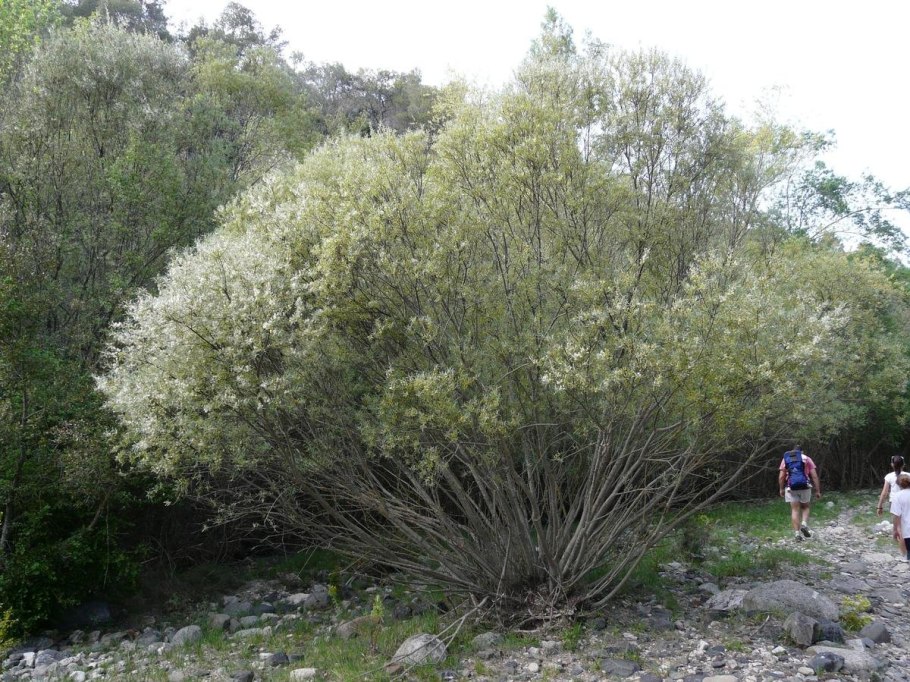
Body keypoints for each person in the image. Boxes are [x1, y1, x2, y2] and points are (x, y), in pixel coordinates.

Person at [778, 444, 821, 542]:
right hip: (805, 486)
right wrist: (818, 490)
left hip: (791, 488)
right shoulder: (807, 459)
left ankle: (797, 534)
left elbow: (781, 477)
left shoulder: (786, 459)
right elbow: (814, 476)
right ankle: (804, 524)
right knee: (805, 507)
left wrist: (781, 489)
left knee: (795, 510)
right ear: (802, 452)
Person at [877, 455, 907, 560]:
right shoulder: (908, 475)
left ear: (892, 465)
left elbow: (884, 493)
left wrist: (879, 507)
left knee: (899, 528)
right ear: (904, 464)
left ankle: (904, 554)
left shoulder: (889, 476)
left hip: (894, 503)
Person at [890, 473, 910, 563]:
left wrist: (895, 530)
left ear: (898, 484)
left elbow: (896, 515)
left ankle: (907, 558)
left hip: (907, 531)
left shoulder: (897, 496)